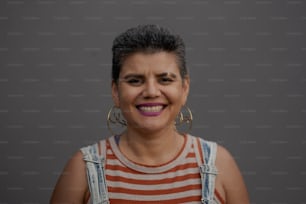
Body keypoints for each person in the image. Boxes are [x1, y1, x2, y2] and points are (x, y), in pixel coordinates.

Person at [50, 24, 249, 204]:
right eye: (135, 81)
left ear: (185, 88)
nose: (151, 92)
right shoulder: (83, 169)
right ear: (115, 92)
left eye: (165, 80)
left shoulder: (219, 164)